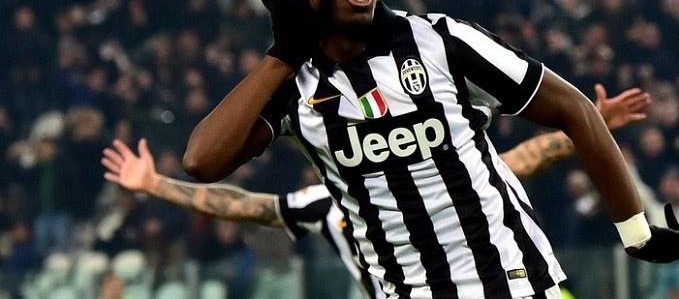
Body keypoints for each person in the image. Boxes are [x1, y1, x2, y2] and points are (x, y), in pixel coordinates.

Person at [180, 0, 679, 298]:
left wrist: (637, 233)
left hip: (512, 281)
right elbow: (202, 162)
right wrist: (283, 54)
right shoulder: (291, 83)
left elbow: (576, 109)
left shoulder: (440, 39)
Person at [102, 84, 651, 299]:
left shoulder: (434, 175)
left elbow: (523, 159)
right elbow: (245, 207)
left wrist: (587, 124)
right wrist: (155, 185)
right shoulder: (322, 205)